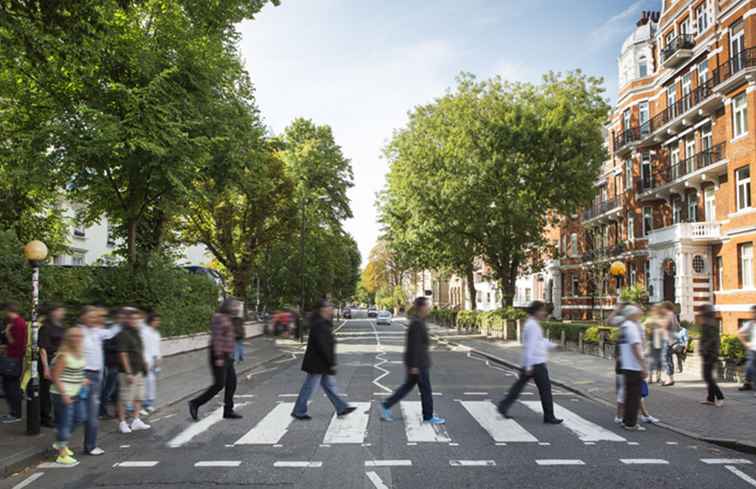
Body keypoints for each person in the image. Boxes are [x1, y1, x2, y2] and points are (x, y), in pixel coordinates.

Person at [381, 297, 445, 425]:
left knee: (406, 388)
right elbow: (415, 345)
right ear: (422, 307)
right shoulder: (416, 323)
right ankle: (428, 417)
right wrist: (415, 365)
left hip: (417, 363)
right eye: (427, 305)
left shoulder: (418, 321)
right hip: (419, 364)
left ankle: (386, 405)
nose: (429, 308)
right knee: (426, 391)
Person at [497, 301, 563, 425]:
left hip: (533, 363)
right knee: (545, 390)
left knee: (518, 387)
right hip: (535, 364)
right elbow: (530, 346)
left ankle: (503, 406)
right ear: (537, 311)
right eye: (542, 310)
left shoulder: (533, 324)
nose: (544, 313)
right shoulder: (532, 325)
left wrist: (554, 345)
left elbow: (540, 342)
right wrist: (528, 366)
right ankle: (549, 416)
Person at [291, 299, 355, 421]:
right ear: (323, 309)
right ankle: (298, 411)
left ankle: (341, 408)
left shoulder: (322, 322)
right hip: (317, 363)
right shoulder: (320, 324)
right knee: (309, 387)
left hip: (320, 363)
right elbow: (323, 345)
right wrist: (331, 362)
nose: (332, 308)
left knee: (329, 386)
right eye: (329, 306)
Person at [189, 299, 243, 421]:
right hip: (218, 355)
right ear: (227, 306)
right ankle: (195, 403)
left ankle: (228, 411)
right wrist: (219, 357)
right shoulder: (218, 317)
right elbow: (217, 338)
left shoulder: (228, 318)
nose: (237, 308)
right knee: (219, 384)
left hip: (227, 355)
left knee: (232, 383)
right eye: (234, 306)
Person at [82, 305, 121, 454]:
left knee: (90, 413)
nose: (96, 320)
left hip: (95, 375)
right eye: (92, 316)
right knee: (82, 414)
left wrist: (122, 319)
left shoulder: (96, 332)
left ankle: (89, 445)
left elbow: (111, 332)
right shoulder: (79, 333)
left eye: (96, 317)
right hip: (83, 376)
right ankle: (64, 439)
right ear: (83, 317)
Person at [50, 326, 87, 466]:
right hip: (62, 394)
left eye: (80, 336)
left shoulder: (80, 353)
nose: (77, 339)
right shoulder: (63, 355)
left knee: (79, 418)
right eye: (74, 336)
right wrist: (64, 394)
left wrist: (83, 380)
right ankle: (62, 454)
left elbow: (76, 371)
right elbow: (55, 376)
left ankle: (60, 441)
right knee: (65, 424)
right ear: (68, 339)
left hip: (76, 393)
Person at [115, 308, 150, 433]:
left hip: (139, 370)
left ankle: (136, 420)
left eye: (138, 319)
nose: (136, 321)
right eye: (133, 319)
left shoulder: (136, 333)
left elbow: (139, 351)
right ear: (128, 320)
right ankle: (122, 422)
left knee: (138, 396)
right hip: (128, 372)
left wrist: (144, 362)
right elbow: (123, 354)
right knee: (124, 398)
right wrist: (128, 372)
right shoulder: (123, 334)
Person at [618, 305, 648, 431]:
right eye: (637, 313)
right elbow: (636, 347)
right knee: (634, 397)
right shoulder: (631, 327)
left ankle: (626, 420)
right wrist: (643, 365)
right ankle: (631, 423)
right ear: (632, 315)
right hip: (634, 366)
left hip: (626, 365)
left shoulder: (625, 327)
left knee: (629, 395)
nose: (639, 315)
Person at [38, 305, 66, 428]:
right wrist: (45, 368)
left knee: (56, 389)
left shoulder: (60, 326)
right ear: (53, 312)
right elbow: (42, 349)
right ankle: (45, 417)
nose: (62, 313)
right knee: (46, 391)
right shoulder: (45, 328)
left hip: (59, 360)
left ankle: (56, 415)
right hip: (49, 360)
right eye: (59, 310)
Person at [1, 303, 27, 424]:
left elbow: (16, 343)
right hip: (13, 358)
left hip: (13, 359)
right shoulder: (18, 322)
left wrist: (7, 332)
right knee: (9, 385)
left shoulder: (17, 324)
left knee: (11, 386)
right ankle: (14, 412)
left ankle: (15, 413)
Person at [99, 308, 124, 418]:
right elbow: (106, 346)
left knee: (116, 389)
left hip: (116, 364)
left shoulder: (119, 329)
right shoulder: (111, 330)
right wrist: (120, 348)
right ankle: (102, 411)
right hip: (111, 363)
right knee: (108, 389)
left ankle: (117, 411)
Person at [698, 304, 724, 406]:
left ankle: (720, 396)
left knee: (707, 376)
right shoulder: (709, 322)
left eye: (702, 311)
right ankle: (710, 399)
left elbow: (711, 339)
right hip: (709, 353)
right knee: (708, 376)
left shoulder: (709, 323)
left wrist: (703, 348)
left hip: (710, 353)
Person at [141, 313, 162, 414]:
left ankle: (149, 404)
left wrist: (158, 360)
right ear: (151, 321)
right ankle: (141, 406)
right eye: (156, 320)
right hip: (146, 360)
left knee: (152, 383)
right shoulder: (144, 332)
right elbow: (143, 347)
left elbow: (157, 348)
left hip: (154, 361)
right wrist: (144, 360)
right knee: (144, 383)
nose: (158, 322)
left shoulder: (156, 333)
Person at [645, 305, 668, 384]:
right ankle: (650, 377)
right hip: (651, 341)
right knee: (651, 360)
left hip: (660, 342)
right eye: (654, 310)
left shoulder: (661, 319)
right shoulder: (649, 319)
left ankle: (659, 377)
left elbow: (664, 327)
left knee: (660, 360)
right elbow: (646, 326)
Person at [737, 305, 756, 392]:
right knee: (750, 367)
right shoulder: (750, 324)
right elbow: (739, 333)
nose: (753, 314)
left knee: (750, 367)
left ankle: (748, 383)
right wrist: (746, 343)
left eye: (754, 312)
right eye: (752, 312)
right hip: (752, 350)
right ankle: (748, 384)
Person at [660, 301, 678, 386]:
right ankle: (669, 378)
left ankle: (669, 379)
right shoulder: (673, 315)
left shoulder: (668, 315)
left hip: (667, 339)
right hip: (671, 339)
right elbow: (677, 326)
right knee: (668, 359)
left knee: (666, 359)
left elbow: (665, 326)